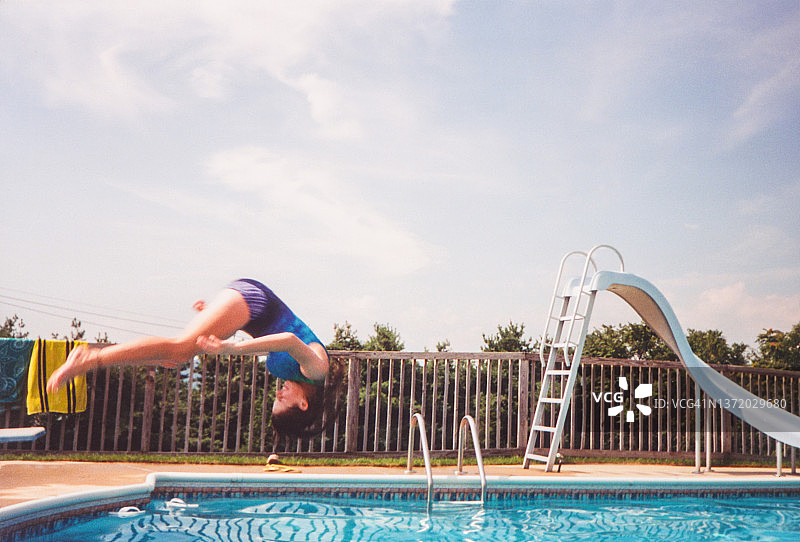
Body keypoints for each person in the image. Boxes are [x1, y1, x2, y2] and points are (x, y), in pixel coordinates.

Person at [47, 279, 341, 439]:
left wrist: (214, 320)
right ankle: (90, 358)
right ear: (303, 404)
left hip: (247, 313)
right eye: (281, 399)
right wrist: (230, 349)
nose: (278, 393)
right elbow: (289, 340)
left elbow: (274, 335)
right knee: (178, 349)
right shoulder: (317, 369)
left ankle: (93, 359)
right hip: (255, 302)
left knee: (174, 360)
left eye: (275, 398)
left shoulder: (293, 376)